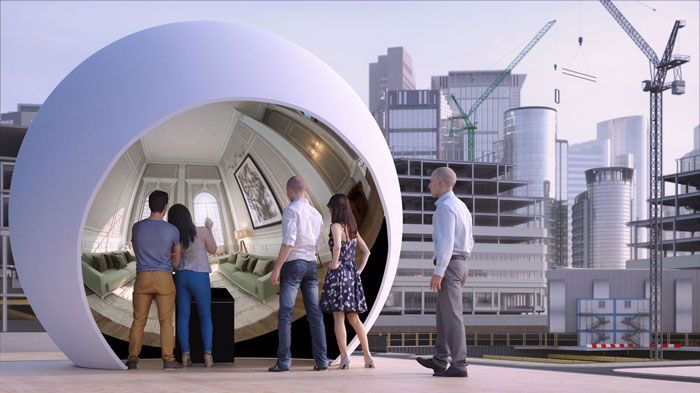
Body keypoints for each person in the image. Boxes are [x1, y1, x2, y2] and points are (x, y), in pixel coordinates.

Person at [416, 167, 474, 378]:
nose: (429, 185)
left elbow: (447, 242)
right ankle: (440, 359)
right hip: (461, 263)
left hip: (450, 266)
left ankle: (459, 365)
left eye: (431, 181)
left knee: (453, 317)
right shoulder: (461, 206)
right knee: (444, 316)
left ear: (441, 182)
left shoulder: (445, 208)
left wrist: (439, 271)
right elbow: (470, 240)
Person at [268, 176, 329, 372]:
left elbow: (289, 242)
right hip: (311, 264)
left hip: (293, 264)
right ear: (305, 189)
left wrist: (276, 268)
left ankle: (284, 362)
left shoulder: (291, 210)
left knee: (285, 314)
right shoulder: (316, 214)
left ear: (289, 191)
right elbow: (319, 246)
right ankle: (322, 361)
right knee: (315, 313)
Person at [126, 190, 183, 370]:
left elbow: (135, 249)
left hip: (142, 277)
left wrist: (145, 260)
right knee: (166, 321)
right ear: (165, 207)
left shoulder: (137, 227)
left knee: (138, 320)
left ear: (149, 205)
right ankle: (168, 360)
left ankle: (133, 360)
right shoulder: (173, 230)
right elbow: (177, 260)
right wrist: (169, 264)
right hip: (164, 278)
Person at [319, 193, 374, 369]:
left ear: (336, 209)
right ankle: (368, 357)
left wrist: (334, 264)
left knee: (338, 317)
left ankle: (344, 358)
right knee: (355, 319)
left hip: (339, 275)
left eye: (330, 207)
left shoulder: (337, 226)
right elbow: (366, 253)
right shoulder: (352, 229)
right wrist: (358, 271)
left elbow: (337, 246)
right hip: (351, 275)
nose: (329, 209)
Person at [167, 204, 217, 368]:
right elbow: (213, 250)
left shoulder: (175, 236)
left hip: (181, 277)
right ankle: (208, 355)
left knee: (183, 316)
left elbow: (174, 261)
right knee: (205, 316)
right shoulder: (201, 231)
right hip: (199, 277)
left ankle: (185, 355)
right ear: (188, 216)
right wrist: (210, 228)